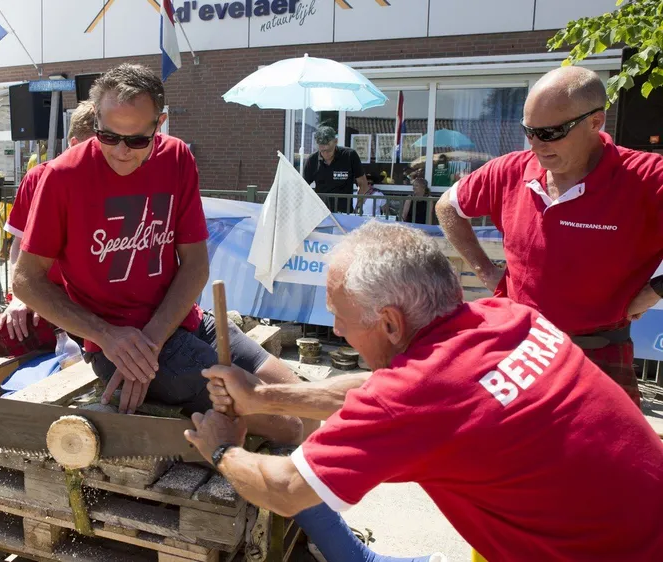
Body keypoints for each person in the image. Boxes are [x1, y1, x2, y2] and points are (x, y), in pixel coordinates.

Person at [186, 221, 663, 562]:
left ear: (391, 324)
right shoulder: (509, 317)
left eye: (341, 319)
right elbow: (391, 389)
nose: (337, 330)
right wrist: (264, 396)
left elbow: (286, 489)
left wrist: (223, 448)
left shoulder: (415, 397)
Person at [13, 64, 302, 443]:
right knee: (289, 426)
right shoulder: (61, 176)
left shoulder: (177, 157)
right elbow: (25, 281)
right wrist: (108, 336)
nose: (121, 151)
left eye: (137, 140)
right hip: (117, 344)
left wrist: (150, 342)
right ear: (95, 118)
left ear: (159, 123)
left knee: (301, 401)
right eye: (108, 136)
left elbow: (195, 264)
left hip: (179, 321)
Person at [435, 66, 663, 407]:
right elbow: (448, 206)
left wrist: (654, 291)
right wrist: (485, 270)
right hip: (521, 346)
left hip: (599, 349)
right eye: (529, 131)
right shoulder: (511, 170)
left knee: (606, 442)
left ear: (595, 122)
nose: (536, 145)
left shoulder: (645, 176)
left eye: (551, 132)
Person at [0, 100, 97, 368]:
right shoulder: (38, 178)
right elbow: (19, 246)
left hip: (100, 310)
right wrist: (21, 296)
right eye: (97, 151)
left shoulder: (124, 183)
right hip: (48, 303)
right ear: (74, 144)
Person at [303, 127, 368, 214]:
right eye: (322, 151)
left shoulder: (349, 155)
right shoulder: (312, 160)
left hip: (344, 214)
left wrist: (358, 207)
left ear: (336, 141)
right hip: (321, 214)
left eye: (329, 151)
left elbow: (363, 184)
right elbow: (303, 187)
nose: (325, 154)